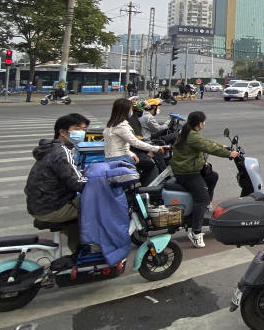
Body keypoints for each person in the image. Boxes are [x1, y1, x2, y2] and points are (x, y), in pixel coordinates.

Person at [170, 111, 238, 247]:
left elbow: (206, 142)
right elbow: (207, 147)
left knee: (213, 176)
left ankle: (207, 205)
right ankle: (195, 233)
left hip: (187, 169)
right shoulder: (192, 136)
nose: (204, 124)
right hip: (187, 173)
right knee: (201, 198)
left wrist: (221, 145)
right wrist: (229, 154)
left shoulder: (188, 131)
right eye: (203, 121)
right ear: (199, 123)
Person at [24, 113, 90, 253]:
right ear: (62, 132)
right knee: (99, 206)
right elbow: (77, 183)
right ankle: (91, 251)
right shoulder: (61, 152)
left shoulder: (50, 148)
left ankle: (79, 248)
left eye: (84, 130)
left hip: (40, 204)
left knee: (85, 203)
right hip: (52, 207)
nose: (82, 133)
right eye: (78, 129)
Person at [102, 98, 167, 185]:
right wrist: (157, 148)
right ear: (125, 111)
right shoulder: (121, 126)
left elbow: (121, 145)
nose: (131, 112)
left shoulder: (111, 124)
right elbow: (135, 142)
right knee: (151, 165)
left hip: (114, 157)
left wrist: (132, 154)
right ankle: (145, 190)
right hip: (119, 158)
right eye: (130, 110)